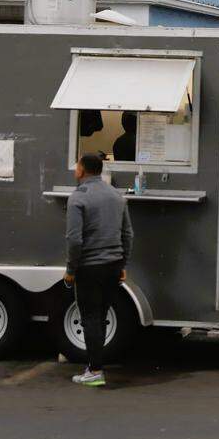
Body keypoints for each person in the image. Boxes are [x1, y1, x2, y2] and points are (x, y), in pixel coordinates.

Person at [64, 153, 134, 387]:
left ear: (82, 170)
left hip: (90, 267)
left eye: (77, 166)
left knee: (90, 318)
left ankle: (94, 370)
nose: (75, 170)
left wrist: (71, 270)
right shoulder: (116, 195)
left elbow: (74, 240)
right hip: (113, 266)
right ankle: (94, 367)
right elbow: (128, 234)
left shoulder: (77, 198)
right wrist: (123, 263)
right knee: (101, 317)